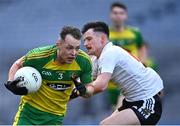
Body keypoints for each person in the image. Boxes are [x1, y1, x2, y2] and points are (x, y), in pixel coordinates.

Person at [71, 21, 163, 125]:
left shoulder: (110, 53)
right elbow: (85, 85)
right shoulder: (97, 59)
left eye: (89, 39)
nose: (85, 44)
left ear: (102, 39)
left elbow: (101, 86)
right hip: (131, 101)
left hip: (147, 101)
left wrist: (77, 92)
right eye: (84, 40)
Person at [4, 26, 93, 125]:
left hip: (55, 118)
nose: (74, 53)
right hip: (28, 114)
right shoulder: (39, 56)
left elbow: (90, 91)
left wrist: (84, 91)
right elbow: (17, 64)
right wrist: (10, 82)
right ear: (58, 44)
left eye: (77, 48)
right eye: (69, 48)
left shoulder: (84, 62)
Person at [107, 2, 145, 109]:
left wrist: (141, 64)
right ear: (110, 15)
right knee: (116, 110)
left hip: (132, 80)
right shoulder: (105, 34)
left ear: (125, 16)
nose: (118, 16)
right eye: (115, 13)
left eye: (121, 13)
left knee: (132, 110)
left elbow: (142, 48)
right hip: (113, 82)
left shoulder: (135, 33)